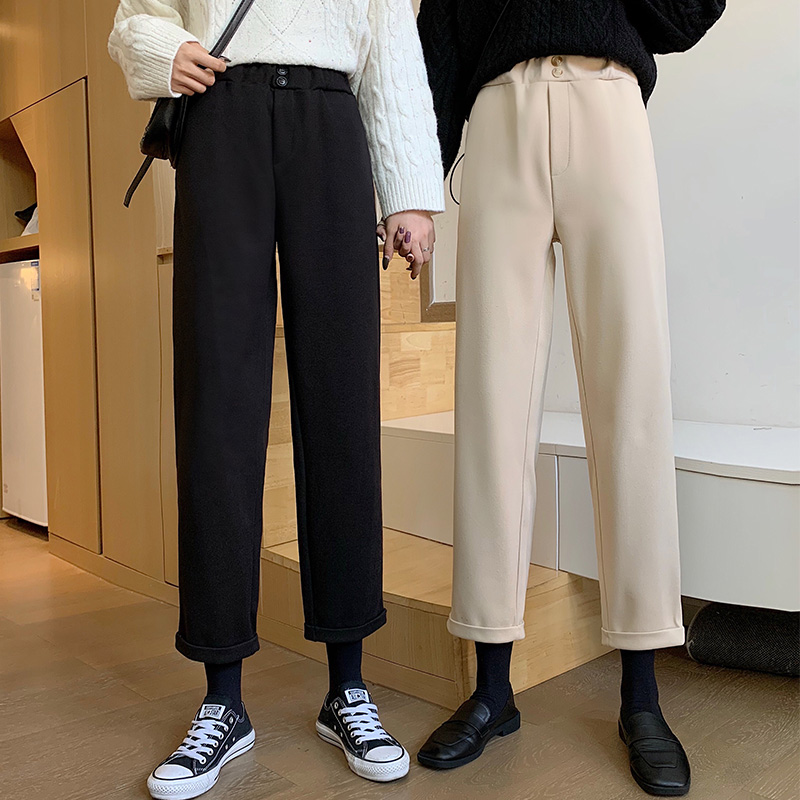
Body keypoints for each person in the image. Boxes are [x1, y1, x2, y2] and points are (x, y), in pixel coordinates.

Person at [109, 1, 444, 796]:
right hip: (220, 115)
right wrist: (165, 49)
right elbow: (135, 15)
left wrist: (409, 191)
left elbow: (392, 48)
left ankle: (348, 688)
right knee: (217, 407)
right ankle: (222, 700)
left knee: (342, 403)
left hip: (332, 123)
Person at [416, 0, 725, 795]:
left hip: (608, 105)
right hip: (497, 114)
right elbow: (440, 32)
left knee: (633, 399)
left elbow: (687, 15)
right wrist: (420, 176)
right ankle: (492, 689)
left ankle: (642, 697)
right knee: (491, 404)